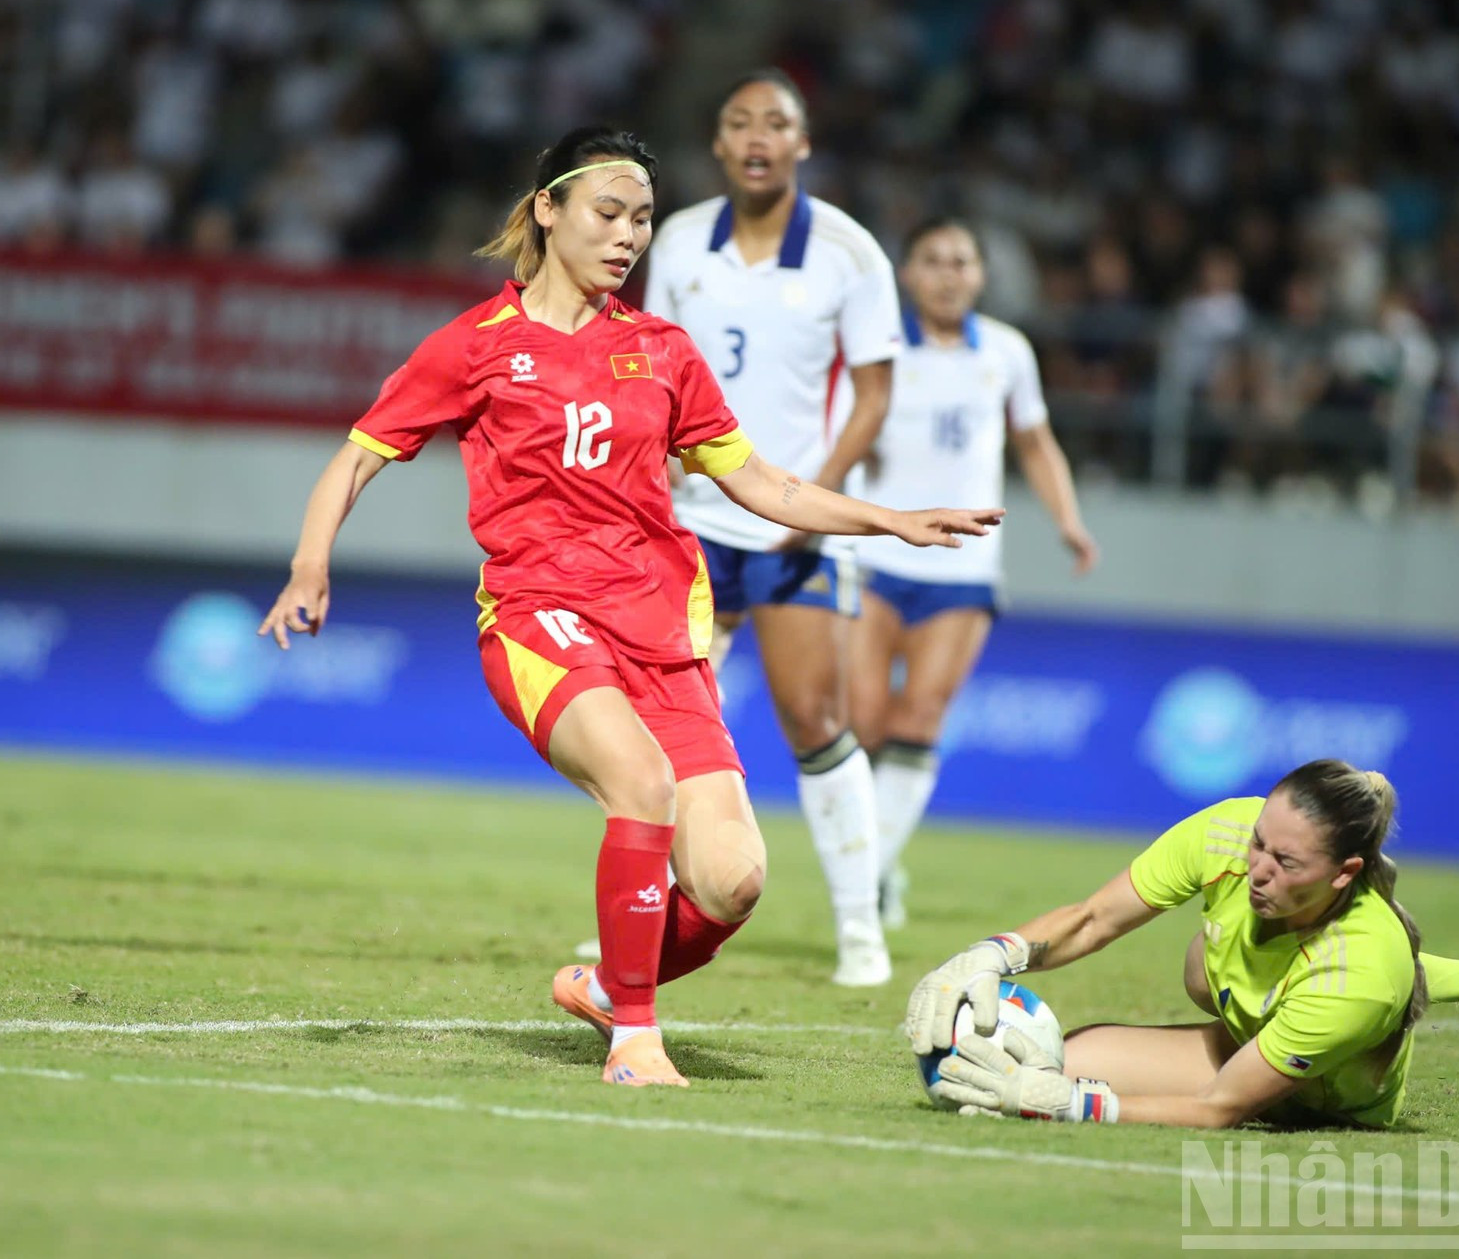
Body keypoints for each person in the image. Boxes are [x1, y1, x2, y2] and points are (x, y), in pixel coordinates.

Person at [260, 126, 1001, 1087]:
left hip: (661, 632)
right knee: (641, 784)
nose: (627, 236)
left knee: (734, 879)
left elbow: (765, 485)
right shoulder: (475, 347)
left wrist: (890, 519)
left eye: (643, 218)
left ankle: (613, 986)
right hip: (539, 617)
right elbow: (359, 453)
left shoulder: (661, 351)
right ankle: (636, 1042)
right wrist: (310, 562)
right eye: (608, 212)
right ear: (547, 210)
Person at [642, 68, 903, 986]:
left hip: (790, 529)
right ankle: (637, 918)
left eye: (776, 122)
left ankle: (859, 930)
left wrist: (812, 497)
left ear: (802, 144)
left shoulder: (848, 252)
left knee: (812, 718)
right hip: (692, 527)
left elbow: (875, 396)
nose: (757, 136)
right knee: (661, 733)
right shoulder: (675, 241)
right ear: (717, 145)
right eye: (738, 120)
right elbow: (647, 368)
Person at [903, 760, 1459, 1127]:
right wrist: (995, 951)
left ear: (1344, 873)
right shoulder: (1227, 833)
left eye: (1286, 861)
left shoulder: (1362, 969)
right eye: (1259, 841)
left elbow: (1220, 1106)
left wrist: (1075, 1104)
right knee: (1188, 970)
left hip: (1324, 1092)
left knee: (1062, 1082)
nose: (1258, 866)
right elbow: (1095, 917)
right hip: (1250, 1014)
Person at [848, 218, 1097, 930]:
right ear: (908, 273)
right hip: (877, 552)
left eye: (962, 260)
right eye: (933, 260)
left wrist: (1067, 521)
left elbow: (1036, 441)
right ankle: (878, 862)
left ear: (982, 274)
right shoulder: (878, 346)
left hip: (965, 563)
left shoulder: (1008, 352)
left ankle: (864, 882)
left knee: (920, 714)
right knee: (863, 719)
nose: (949, 273)